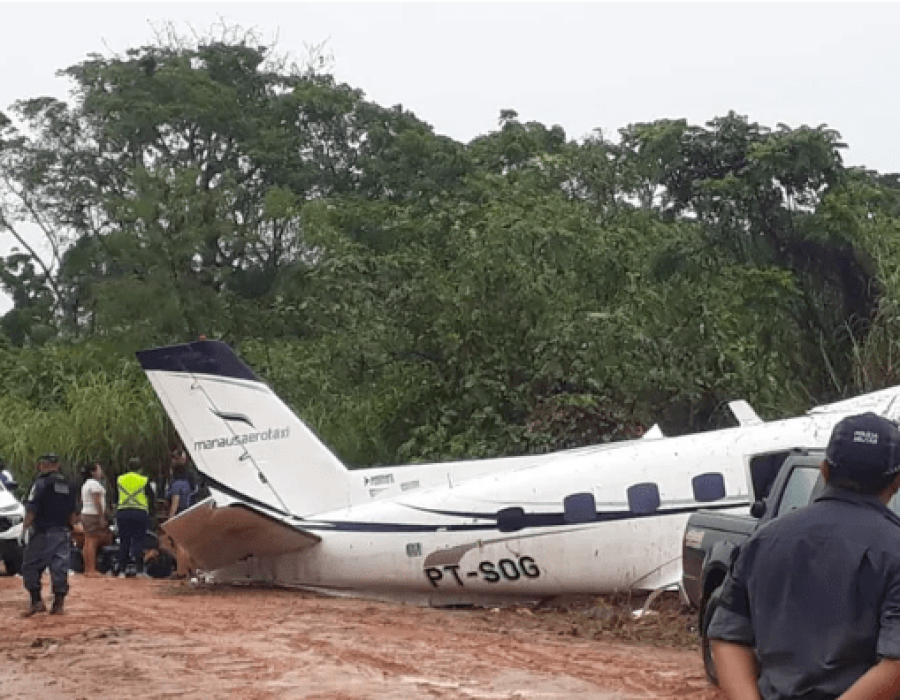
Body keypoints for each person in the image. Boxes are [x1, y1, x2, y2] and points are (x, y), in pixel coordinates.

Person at [708, 412, 900, 700]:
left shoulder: (764, 540)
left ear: (824, 471)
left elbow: (727, 636)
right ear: (896, 481)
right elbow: (896, 664)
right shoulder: (895, 548)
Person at [21, 453, 78, 616]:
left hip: (42, 532)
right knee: (59, 567)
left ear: (41, 465)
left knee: (31, 565)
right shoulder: (69, 485)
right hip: (62, 531)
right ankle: (58, 604)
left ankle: (36, 601)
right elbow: (73, 512)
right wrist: (71, 529)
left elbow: (32, 509)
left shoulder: (40, 484)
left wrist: (24, 528)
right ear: (57, 466)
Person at [115, 460, 153, 578]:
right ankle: (139, 570)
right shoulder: (144, 480)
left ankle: (122, 570)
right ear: (140, 468)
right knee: (139, 540)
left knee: (124, 541)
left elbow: (115, 496)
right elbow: (151, 497)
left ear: (127, 467)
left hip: (123, 512)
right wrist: (151, 513)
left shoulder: (120, 479)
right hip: (139, 513)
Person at [165, 452, 195, 579]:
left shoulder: (176, 484)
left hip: (179, 513)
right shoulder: (187, 483)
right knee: (185, 543)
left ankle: (181, 571)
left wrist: (171, 517)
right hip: (188, 512)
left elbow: (175, 501)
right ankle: (188, 569)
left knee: (178, 544)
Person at [79, 461, 108, 577]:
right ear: (93, 472)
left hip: (86, 513)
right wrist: (101, 517)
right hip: (93, 514)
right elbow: (97, 501)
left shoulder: (86, 484)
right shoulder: (94, 484)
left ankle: (87, 568)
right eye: (99, 469)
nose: (101, 472)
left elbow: (82, 500)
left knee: (87, 541)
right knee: (92, 541)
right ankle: (91, 569)